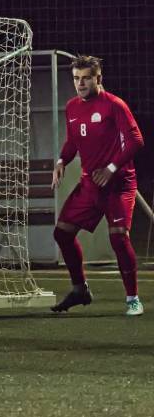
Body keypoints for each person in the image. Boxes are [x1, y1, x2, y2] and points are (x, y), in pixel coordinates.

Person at [51, 55, 145, 316]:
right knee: (62, 233)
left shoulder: (114, 105)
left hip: (119, 184)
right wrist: (61, 160)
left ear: (98, 78)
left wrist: (112, 168)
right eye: (76, 79)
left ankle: (132, 299)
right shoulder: (72, 107)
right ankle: (80, 289)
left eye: (85, 79)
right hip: (90, 185)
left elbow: (136, 140)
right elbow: (72, 142)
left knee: (118, 237)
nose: (80, 84)